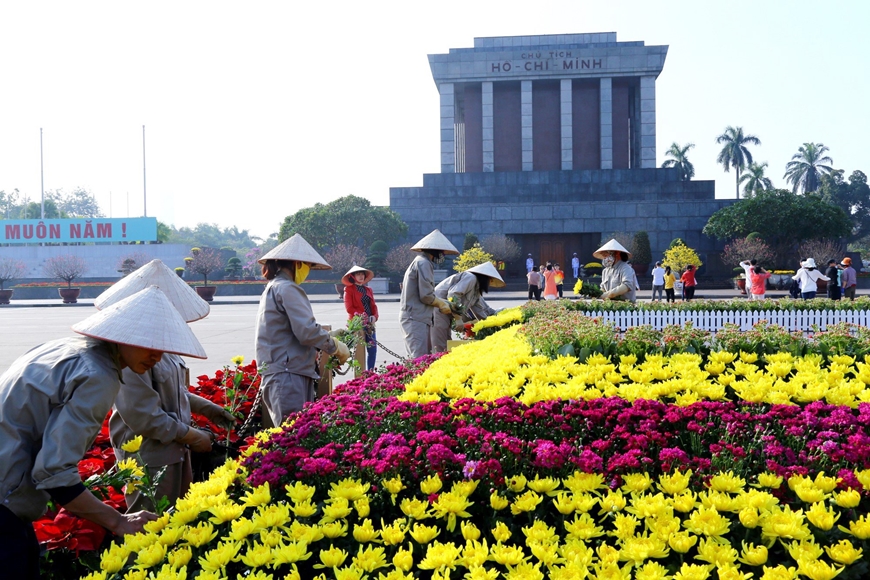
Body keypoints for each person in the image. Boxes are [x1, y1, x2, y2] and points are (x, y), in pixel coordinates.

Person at [0, 286, 207, 578]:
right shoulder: (99, 375)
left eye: (163, 349)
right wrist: (118, 522)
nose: (157, 357)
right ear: (123, 335)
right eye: (150, 345)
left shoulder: (64, 347)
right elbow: (55, 474)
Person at [97, 260, 235, 513]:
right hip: (148, 456)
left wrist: (208, 408)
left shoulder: (162, 345)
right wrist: (193, 437)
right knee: (149, 526)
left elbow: (172, 391)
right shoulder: (129, 350)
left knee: (176, 521)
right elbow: (143, 416)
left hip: (173, 450)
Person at [255, 234, 351, 427]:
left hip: (285, 370)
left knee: (294, 435)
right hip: (288, 373)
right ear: (297, 263)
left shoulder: (274, 287)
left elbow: (289, 330)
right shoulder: (288, 288)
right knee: (294, 437)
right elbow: (306, 332)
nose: (307, 270)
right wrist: (334, 346)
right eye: (307, 265)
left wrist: (326, 336)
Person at [399, 229, 458, 359]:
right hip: (414, 317)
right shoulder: (423, 263)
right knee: (419, 359)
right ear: (435, 250)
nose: (442, 255)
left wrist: (445, 303)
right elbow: (426, 295)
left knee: (423, 358)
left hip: (419, 317)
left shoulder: (422, 261)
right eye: (441, 252)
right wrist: (442, 303)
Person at [430, 261, 504, 352]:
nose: (489, 283)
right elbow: (453, 294)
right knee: (440, 343)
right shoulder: (470, 277)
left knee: (446, 342)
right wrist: (458, 318)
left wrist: (489, 326)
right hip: (439, 307)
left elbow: (479, 311)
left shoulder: (476, 291)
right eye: (490, 280)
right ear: (485, 277)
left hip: (447, 311)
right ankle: (433, 363)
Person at [342, 265, 379, 372]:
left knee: (372, 349)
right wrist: (362, 318)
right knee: (359, 352)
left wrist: (374, 317)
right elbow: (349, 308)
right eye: (358, 274)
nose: (361, 276)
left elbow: (374, 307)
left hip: (369, 325)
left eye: (362, 274)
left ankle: (370, 373)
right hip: (357, 324)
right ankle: (360, 375)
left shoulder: (368, 290)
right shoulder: (349, 290)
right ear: (352, 276)